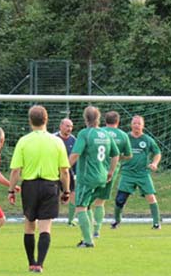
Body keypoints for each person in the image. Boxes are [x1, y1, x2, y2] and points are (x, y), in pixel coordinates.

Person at [8, 105, 70, 273]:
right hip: (50, 186)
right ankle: (39, 264)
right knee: (45, 227)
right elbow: (64, 171)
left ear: (30, 121)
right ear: (46, 119)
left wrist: (11, 190)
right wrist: (66, 191)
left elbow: (15, 170)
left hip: (30, 186)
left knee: (29, 226)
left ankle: (31, 262)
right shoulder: (57, 141)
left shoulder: (24, 141)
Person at [69, 106, 119, 248]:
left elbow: (75, 154)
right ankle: (91, 234)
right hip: (103, 177)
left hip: (87, 177)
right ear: (98, 118)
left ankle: (88, 241)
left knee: (80, 207)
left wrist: (63, 168)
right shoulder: (105, 134)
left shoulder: (85, 133)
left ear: (85, 118)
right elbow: (115, 154)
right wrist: (111, 171)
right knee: (88, 206)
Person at [111, 115, 162, 229]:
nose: (136, 126)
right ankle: (116, 221)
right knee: (120, 200)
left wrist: (154, 163)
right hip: (127, 174)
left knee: (151, 197)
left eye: (139, 123)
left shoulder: (147, 139)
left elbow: (157, 152)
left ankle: (156, 223)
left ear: (143, 126)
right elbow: (115, 152)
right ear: (131, 125)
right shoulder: (125, 138)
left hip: (143, 174)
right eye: (134, 123)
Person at [91, 111, 132, 238]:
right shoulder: (123, 135)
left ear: (105, 121)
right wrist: (119, 158)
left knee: (86, 201)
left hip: (95, 169)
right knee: (100, 202)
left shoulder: (98, 132)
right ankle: (96, 230)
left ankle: (86, 226)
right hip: (111, 171)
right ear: (118, 122)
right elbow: (129, 155)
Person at [54, 118, 77, 226]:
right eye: (67, 126)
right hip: (53, 171)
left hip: (68, 172)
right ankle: (50, 216)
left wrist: (76, 173)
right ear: (61, 126)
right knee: (54, 194)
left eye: (71, 126)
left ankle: (70, 220)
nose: (69, 129)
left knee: (73, 194)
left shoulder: (74, 140)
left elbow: (76, 157)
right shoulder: (53, 138)